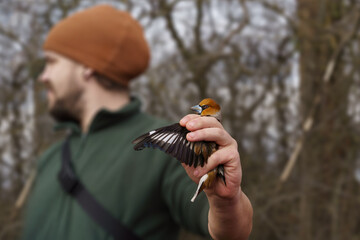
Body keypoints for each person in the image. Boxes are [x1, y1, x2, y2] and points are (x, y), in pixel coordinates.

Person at [22, 4, 253, 240]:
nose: (44, 76)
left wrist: (227, 203)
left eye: (51, 62)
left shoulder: (168, 147)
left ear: (87, 66)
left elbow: (228, 230)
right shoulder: (49, 160)